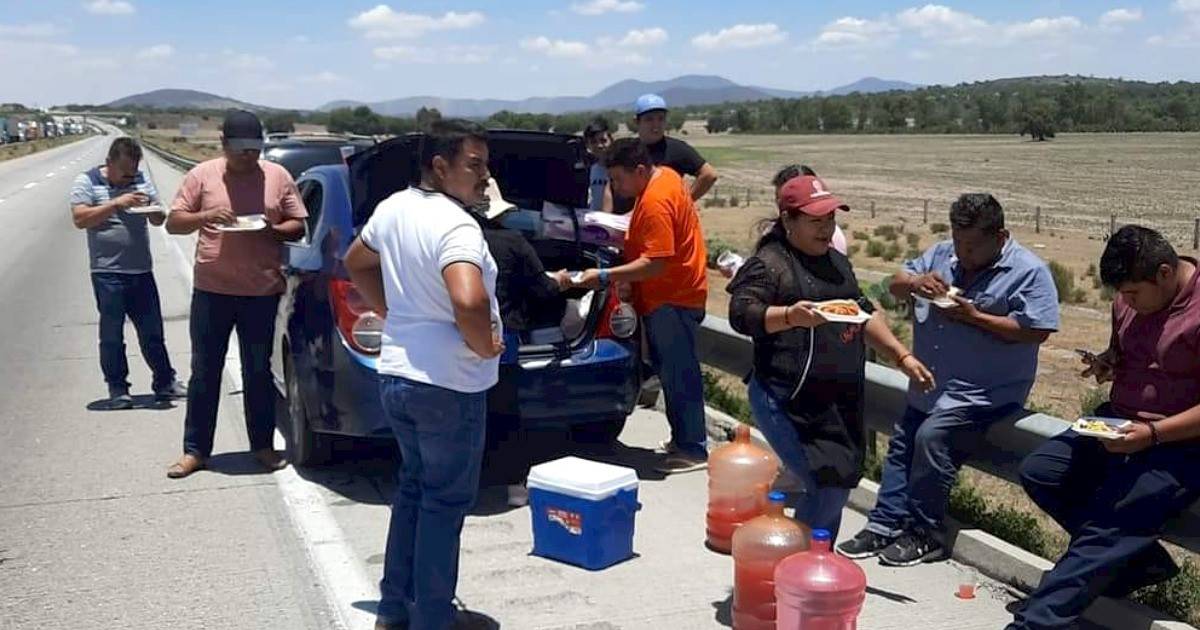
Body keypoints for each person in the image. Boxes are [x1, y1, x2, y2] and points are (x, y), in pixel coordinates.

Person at [839, 193, 1060, 566]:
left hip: (982, 393)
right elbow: (894, 285)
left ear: (1000, 236)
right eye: (959, 242)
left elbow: (1037, 330)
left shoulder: (1029, 271)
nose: (964, 252)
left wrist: (974, 317)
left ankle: (926, 533)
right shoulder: (942, 255)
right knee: (903, 444)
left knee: (931, 439)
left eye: (973, 246)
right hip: (931, 384)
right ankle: (884, 524)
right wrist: (915, 284)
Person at [343, 119, 504, 630]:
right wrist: (484, 345)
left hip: (398, 377)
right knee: (444, 503)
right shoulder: (457, 225)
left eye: (485, 164)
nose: (484, 176)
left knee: (413, 489)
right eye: (473, 165)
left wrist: (393, 314)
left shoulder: (392, 208)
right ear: (440, 166)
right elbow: (468, 296)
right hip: (448, 385)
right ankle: (433, 617)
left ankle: (394, 607)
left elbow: (356, 262)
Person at [1008, 226, 1200, 630]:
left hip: (1182, 441)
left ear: (1165, 273)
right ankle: (1137, 563)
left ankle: (1036, 622)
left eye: (1133, 294)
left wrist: (1154, 434)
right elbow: (1129, 350)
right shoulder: (1129, 300)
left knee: (1111, 522)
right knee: (1042, 471)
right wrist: (1108, 361)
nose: (1126, 302)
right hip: (1120, 420)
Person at [727, 175, 934, 539]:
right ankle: (795, 570)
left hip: (836, 402)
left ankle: (812, 569)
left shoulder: (837, 262)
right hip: (786, 400)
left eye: (830, 220)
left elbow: (863, 310)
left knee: (839, 480)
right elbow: (741, 314)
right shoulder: (770, 264)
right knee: (827, 486)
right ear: (788, 220)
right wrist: (791, 315)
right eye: (815, 221)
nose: (826, 229)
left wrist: (902, 356)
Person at [164, 110, 307, 479]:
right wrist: (205, 216)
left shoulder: (277, 176)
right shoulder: (202, 176)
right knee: (204, 372)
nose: (249, 157)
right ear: (224, 146)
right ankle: (195, 451)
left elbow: (297, 224)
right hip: (213, 291)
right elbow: (174, 222)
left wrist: (272, 228)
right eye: (241, 150)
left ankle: (261, 445)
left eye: (255, 149)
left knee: (258, 372)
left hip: (261, 291)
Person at [574, 138, 710, 474]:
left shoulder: (656, 201)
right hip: (678, 293)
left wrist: (604, 275)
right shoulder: (665, 176)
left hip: (672, 297)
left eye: (618, 179)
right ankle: (684, 439)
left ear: (638, 170)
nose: (616, 187)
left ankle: (692, 448)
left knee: (679, 374)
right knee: (672, 370)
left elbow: (656, 263)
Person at [469, 181, 571, 508]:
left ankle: (465, 485)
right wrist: (563, 282)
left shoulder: (454, 240)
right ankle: (514, 486)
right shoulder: (514, 242)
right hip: (504, 342)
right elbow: (541, 289)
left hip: (460, 341)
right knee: (506, 414)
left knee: (466, 415)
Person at [70, 137, 186, 408]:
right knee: (112, 335)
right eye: (124, 173)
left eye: (132, 173)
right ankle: (118, 388)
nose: (128, 178)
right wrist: (116, 203)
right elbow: (80, 219)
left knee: (152, 333)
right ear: (109, 163)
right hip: (107, 272)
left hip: (141, 271)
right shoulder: (87, 182)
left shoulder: (140, 180)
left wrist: (151, 208)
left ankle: (165, 382)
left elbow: (159, 218)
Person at [611, 93, 719, 214]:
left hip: (661, 221)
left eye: (661, 118)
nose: (656, 125)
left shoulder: (677, 149)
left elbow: (709, 175)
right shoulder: (628, 149)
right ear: (636, 122)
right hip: (626, 221)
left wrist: (681, 205)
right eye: (649, 119)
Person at [583, 117, 614, 213]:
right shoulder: (589, 169)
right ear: (588, 145)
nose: (599, 145)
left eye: (603, 140)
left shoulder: (620, 169)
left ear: (611, 140)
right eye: (593, 142)